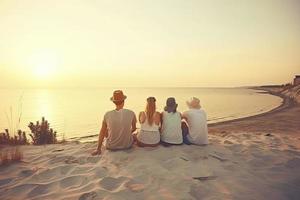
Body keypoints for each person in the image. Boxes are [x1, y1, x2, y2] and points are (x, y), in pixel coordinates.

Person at [92, 90, 137, 155]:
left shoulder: (107, 114)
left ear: (113, 102)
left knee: (105, 129)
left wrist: (98, 149)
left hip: (111, 147)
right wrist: (125, 132)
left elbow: (102, 132)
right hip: (127, 146)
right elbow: (134, 128)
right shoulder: (131, 113)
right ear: (124, 101)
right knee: (134, 135)